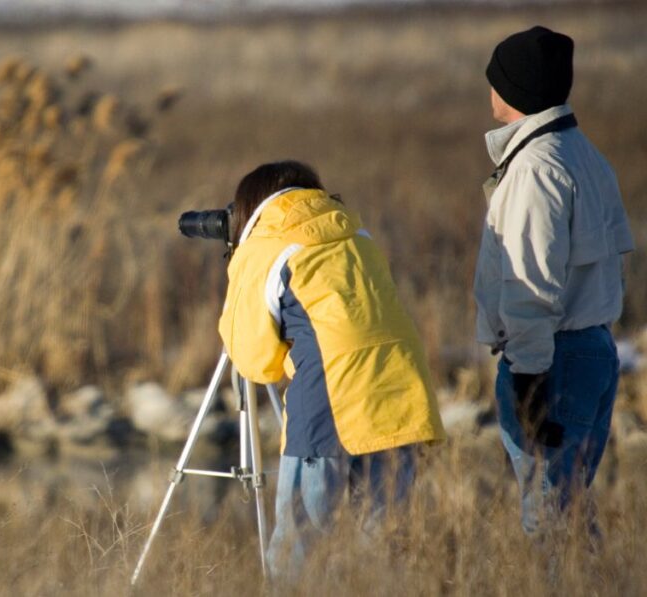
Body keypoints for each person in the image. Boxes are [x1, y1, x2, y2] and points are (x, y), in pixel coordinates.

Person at [217, 160, 445, 579]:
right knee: (384, 543)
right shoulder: (356, 234)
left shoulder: (266, 246)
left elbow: (254, 361)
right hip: (400, 392)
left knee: (299, 545)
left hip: (328, 401)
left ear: (249, 209)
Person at [475, 26, 634, 537]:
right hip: (591, 348)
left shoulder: (535, 170)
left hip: (553, 359)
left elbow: (528, 282)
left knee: (549, 522)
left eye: (496, 80)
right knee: (566, 513)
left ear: (516, 89)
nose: (490, 91)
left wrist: (529, 380)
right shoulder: (583, 155)